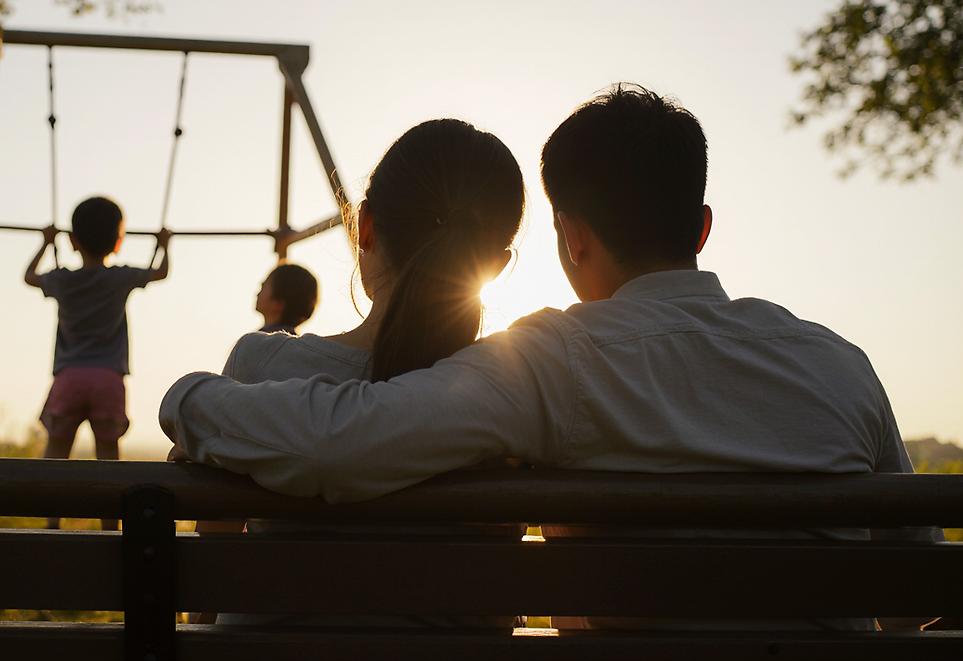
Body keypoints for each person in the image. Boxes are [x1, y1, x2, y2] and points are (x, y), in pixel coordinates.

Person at [160, 85, 941, 631]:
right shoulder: (844, 364)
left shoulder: (554, 362)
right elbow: (915, 592)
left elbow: (342, 442)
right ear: (700, 227)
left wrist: (191, 399)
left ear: (571, 239)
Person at [191, 118, 527, 627]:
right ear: (495, 265)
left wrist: (188, 402)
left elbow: (211, 568)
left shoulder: (260, 366)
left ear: (364, 226)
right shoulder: (521, 390)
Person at [25, 196, 171, 530]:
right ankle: (110, 530)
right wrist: (163, 244)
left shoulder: (61, 280)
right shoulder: (121, 277)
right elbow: (160, 272)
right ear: (118, 242)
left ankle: (51, 526)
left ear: (72, 241)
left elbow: (29, 276)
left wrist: (46, 243)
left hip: (69, 377)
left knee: (56, 462)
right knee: (109, 466)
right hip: (108, 379)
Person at [254, 263, 318, 335]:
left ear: (278, 302)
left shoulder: (257, 342)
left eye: (262, 288)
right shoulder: (296, 343)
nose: (257, 294)